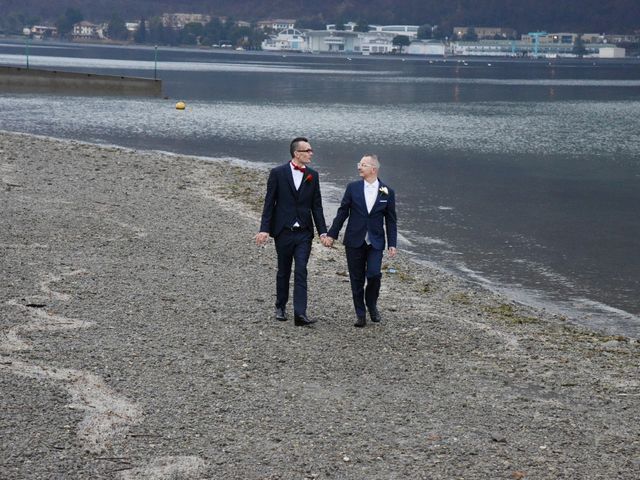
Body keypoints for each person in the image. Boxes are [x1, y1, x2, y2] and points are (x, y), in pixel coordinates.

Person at [255, 137, 328, 326]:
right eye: (308, 150)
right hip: (283, 231)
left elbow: (317, 207)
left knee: (302, 269)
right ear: (297, 153)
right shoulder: (278, 173)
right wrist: (264, 229)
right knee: (284, 270)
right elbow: (269, 204)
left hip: (304, 232)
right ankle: (280, 306)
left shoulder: (313, 175)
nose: (311, 153)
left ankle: (300, 314)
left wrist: (322, 232)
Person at [323, 154, 397, 327]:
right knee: (356, 279)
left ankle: (371, 304)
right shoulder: (352, 188)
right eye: (359, 164)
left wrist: (392, 243)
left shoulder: (387, 191)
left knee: (373, 275)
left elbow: (391, 220)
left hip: (376, 242)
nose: (359, 167)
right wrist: (331, 234)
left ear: (374, 169)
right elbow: (342, 213)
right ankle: (360, 314)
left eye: (363, 164)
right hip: (354, 240)